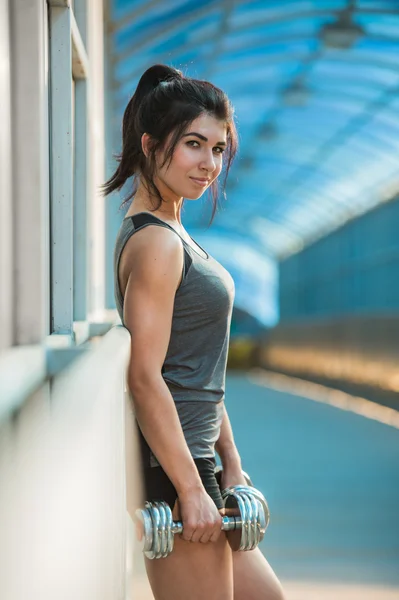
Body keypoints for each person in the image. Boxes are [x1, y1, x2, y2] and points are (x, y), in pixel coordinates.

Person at [102, 64, 285, 600]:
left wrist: (231, 462)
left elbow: (200, 367)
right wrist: (188, 486)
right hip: (174, 466)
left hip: (198, 460)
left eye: (219, 149)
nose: (209, 164)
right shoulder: (156, 242)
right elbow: (146, 376)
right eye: (193, 144)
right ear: (151, 143)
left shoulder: (175, 233)